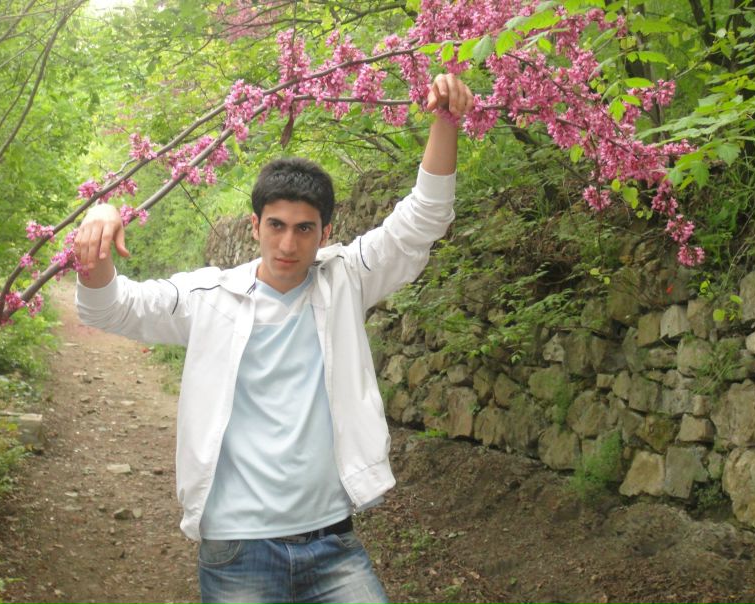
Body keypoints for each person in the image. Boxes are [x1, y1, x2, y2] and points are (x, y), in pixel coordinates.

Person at [74, 73, 473, 604]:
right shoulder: (209, 298)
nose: (288, 243)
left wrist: (446, 120)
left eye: (304, 229)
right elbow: (110, 307)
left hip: (333, 541)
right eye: (276, 225)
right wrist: (99, 227)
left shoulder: (346, 280)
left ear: (325, 233)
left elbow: (422, 220)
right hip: (237, 547)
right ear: (255, 225)